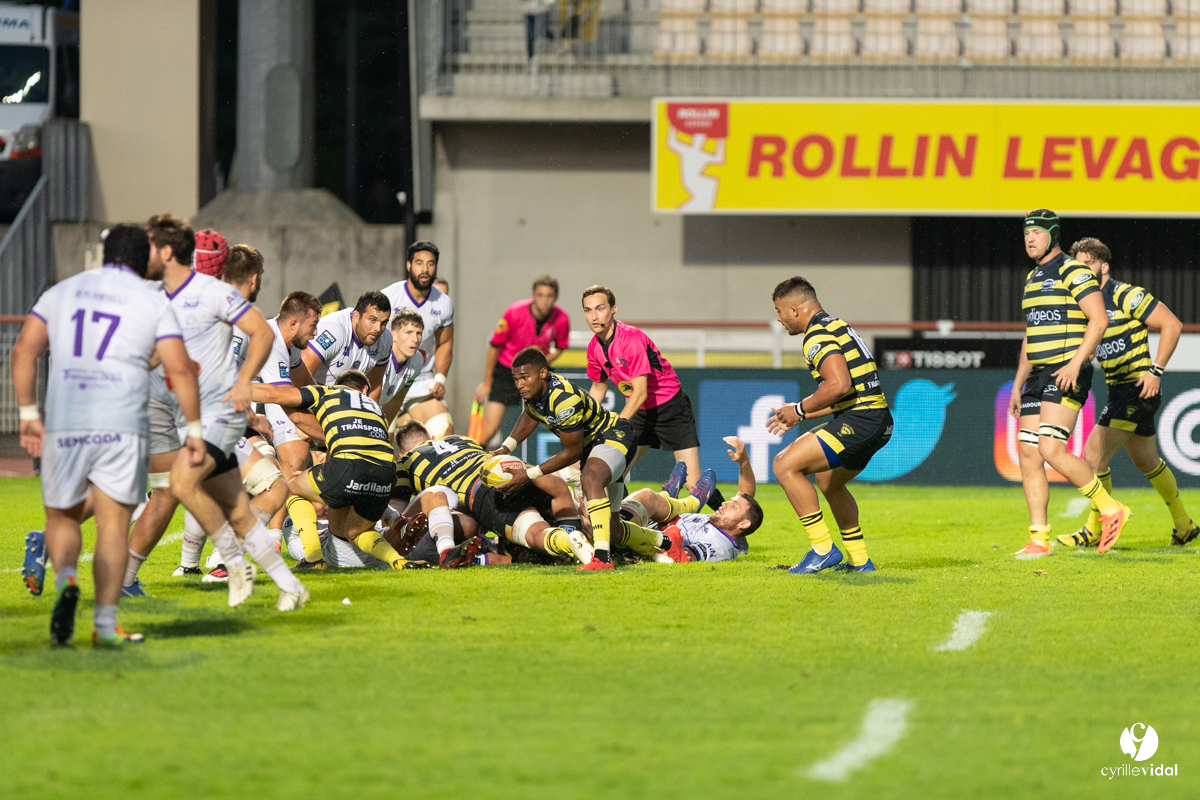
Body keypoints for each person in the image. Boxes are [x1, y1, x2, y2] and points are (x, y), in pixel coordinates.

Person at [12, 223, 201, 646]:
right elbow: (180, 368)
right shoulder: (152, 301)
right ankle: (104, 626)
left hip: (66, 420)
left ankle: (65, 579)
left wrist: (27, 414)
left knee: (62, 517)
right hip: (122, 424)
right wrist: (193, 429)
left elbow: (24, 349)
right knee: (113, 526)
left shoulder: (62, 291)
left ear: (104, 254)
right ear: (143, 258)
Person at [146, 214, 309, 610]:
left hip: (208, 420)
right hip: (194, 419)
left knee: (183, 488)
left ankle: (228, 564)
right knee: (234, 505)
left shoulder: (200, 296)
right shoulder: (195, 298)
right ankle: (279, 583)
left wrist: (242, 388)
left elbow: (259, 336)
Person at [1056, 238, 1196, 549]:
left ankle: (1095, 529)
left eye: (1089, 263)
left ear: (1104, 266)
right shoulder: (1087, 304)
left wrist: (1155, 371)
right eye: (1078, 265)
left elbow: (1172, 325)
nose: (1083, 270)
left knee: (1093, 457)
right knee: (1147, 461)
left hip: (1136, 388)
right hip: (1119, 389)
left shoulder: (1124, 294)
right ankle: (1184, 525)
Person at [1007, 211, 1131, 558]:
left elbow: (1099, 319)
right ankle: (1039, 539)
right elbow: (1031, 335)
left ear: (1053, 235)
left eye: (1037, 232)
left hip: (1066, 371)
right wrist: (1017, 384)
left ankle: (1111, 508)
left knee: (1050, 449)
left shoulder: (1072, 270)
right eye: (1027, 232)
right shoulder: (1032, 277)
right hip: (1037, 374)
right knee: (1028, 455)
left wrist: (1076, 364)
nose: (1030, 238)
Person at [767, 276, 893, 574]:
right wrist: (800, 414)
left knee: (784, 465)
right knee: (828, 481)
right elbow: (846, 392)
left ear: (795, 309)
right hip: (877, 419)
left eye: (779, 311)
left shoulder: (816, 336)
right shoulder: (837, 325)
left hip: (861, 419)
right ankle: (859, 561)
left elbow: (838, 385)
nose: (779, 318)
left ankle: (822, 550)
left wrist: (798, 409)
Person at [253, 370, 426, 571]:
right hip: (386, 474)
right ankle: (398, 560)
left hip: (349, 467)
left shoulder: (327, 392)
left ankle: (313, 558)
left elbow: (277, 396)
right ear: (365, 390)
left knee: (291, 489)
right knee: (356, 532)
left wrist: (236, 389)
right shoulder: (375, 409)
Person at [493, 346, 637, 570]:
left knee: (590, 478)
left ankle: (602, 558)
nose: (519, 384)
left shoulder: (563, 400)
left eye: (525, 377)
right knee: (613, 529)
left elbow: (572, 452)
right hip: (594, 446)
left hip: (613, 435)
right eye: (516, 379)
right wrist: (506, 447)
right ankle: (665, 541)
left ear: (542, 373)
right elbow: (531, 414)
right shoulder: (537, 393)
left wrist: (528, 475)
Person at [582, 286, 714, 505]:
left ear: (613, 309)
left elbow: (640, 392)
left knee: (694, 485)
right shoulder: (594, 347)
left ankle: (729, 518)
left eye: (600, 308)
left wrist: (617, 425)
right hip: (641, 411)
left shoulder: (630, 339)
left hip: (670, 406)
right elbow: (598, 387)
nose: (594, 316)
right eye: (588, 310)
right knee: (614, 472)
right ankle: (622, 521)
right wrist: (582, 418)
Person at [393, 421, 591, 566]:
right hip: (512, 468)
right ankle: (585, 529)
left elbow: (397, 514)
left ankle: (567, 542)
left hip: (481, 489)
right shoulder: (460, 439)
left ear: (402, 453)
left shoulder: (405, 463)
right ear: (432, 438)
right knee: (560, 491)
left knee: (535, 532)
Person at [621, 438, 762, 564]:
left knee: (646, 497)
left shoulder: (718, 544)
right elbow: (745, 497)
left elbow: (683, 556)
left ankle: (682, 500)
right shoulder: (722, 524)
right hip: (654, 522)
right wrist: (744, 461)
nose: (724, 503)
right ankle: (680, 501)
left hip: (642, 532)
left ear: (743, 524)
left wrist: (657, 541)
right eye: (730, 502)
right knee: (637, 499)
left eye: (733, 506)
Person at [475, 276, 570, 448]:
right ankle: (473, 459)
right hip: (507, 372)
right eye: (540, 295)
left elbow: (560, 348)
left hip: (537, 375)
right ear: (533, 295)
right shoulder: (514, 312)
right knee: (489, 430)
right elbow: (494, 346)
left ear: (556, 297)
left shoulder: (562, 319)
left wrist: (539, 362)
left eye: (549, 296)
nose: (544, 301)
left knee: (559, 420)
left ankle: (574, 457)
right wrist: (487, 383)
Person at [381, 242, 455, 438]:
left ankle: (404, 419)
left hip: (421, 380)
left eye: (430, 264)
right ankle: (401, 420)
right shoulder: (388, 297)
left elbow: (445, 343)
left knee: (443, 432)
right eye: (419, 263)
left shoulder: (444, 303)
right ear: (408, 265)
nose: (425, 269)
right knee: (380, 443)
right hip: (385, 379)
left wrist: (440, 378)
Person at [301, 290, 392, 395]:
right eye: (372, 320)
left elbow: (374, 385)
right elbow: (300, 380)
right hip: (311, 395)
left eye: (384, 322)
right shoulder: (333, 331)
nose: (378, 329)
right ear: (357, 316)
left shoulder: (385, 338)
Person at [380, 309, 427, 410]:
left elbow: (397, 399)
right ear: (394, 335)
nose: (415, 339)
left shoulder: (417, 360)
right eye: (409, 332)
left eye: (419, 333)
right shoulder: (380, 355)